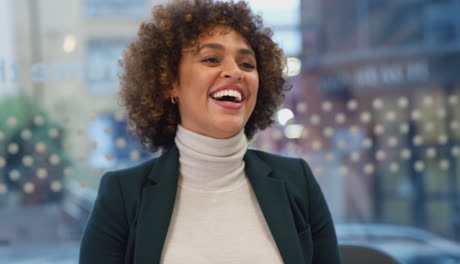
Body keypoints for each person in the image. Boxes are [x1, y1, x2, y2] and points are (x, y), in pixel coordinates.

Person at [79, 0, 341, 263]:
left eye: (247, 64)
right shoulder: (123, 194)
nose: (234, 72)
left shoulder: (298, 181)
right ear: (170, 83)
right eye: (211, 59)